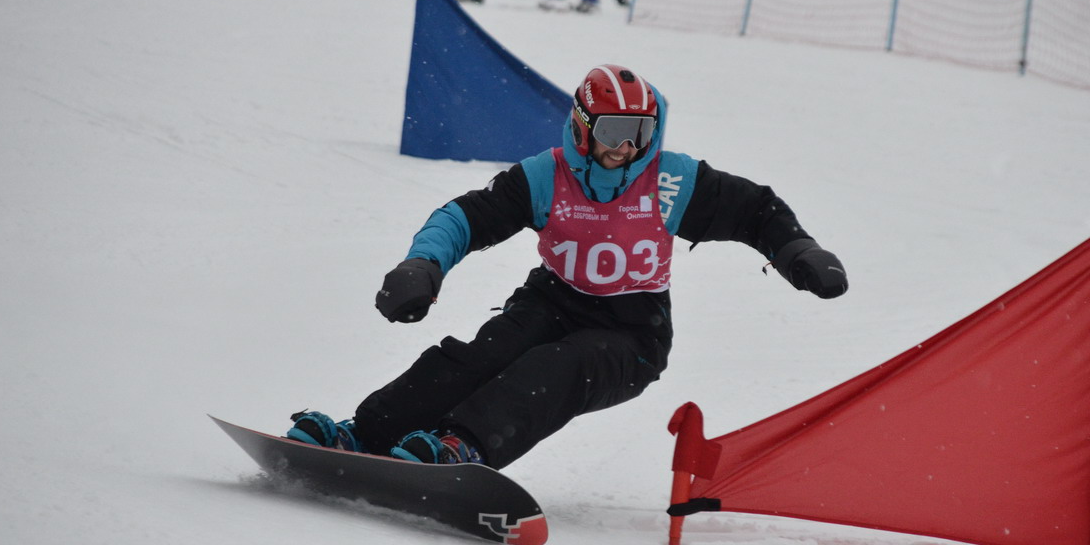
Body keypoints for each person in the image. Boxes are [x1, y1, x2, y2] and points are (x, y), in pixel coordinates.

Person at [286, 65, 850, 469]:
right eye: (613, 133)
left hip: (633, 332)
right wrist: (423, 264)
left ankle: (463, 448)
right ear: (582, 127)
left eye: (640, 134)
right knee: (482, 356)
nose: (626, 149)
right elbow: (467, 217)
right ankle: (364, 434)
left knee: (556, 368)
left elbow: (755, 211)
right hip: (551, 301)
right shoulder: (546, 176)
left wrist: (798, 251)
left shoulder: (670, 180)